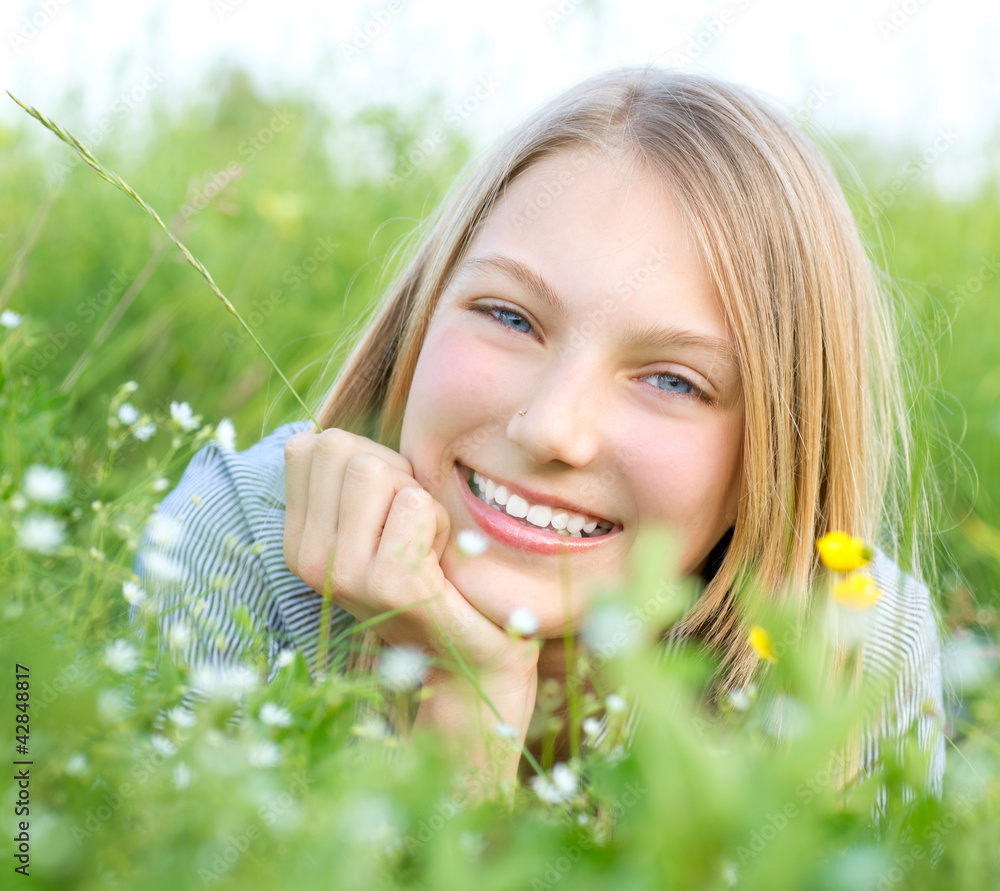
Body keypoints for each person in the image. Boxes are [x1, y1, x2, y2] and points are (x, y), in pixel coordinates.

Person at [132, 65, 946, 813]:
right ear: (423, 315)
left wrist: (468, 712)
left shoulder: (848, 649)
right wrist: (465, 701)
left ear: (774, 456)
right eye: (509, 316)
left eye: (672, 380)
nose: (553, 428)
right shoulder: (247, 536)